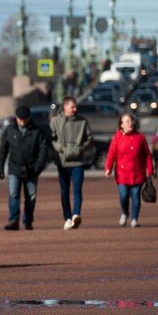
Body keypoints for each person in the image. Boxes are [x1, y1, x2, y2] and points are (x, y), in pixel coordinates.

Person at [0, 105, 49, 230]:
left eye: (24, 119)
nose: (22, 122)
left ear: (29, 118)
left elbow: (43, 149)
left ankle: (28, 220)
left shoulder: (37, 131)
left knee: (31, 196)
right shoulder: (10, 130)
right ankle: (13, 220)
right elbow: (3, 150)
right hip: (15, 168)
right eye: (20, 119)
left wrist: (39, 166)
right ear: (16, 118)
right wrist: (0, 167)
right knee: (14, 194)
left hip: (32, 169)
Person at [50, 96, 94, 230]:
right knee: (64, 192)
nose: (75, 109)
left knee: (77, 190)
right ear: (65, 107)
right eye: (72, 107)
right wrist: (61, 149)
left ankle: (76, 215)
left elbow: (89, 137)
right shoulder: (56, 122)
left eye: (75, 107)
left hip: (78, 162)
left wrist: (81, 149)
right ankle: (67, 218)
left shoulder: (82, 121)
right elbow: (52, 139)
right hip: (63, 162)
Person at [104, 113, 153, 228]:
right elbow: (111, 154)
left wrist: (149, 170)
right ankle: (124, 213)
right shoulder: (117, 138)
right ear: (121, 125)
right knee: (124, 195)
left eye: (131, 121)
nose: (130, 123)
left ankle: (134, 218)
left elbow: (147, 155)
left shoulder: (140, 137)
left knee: (135, 196)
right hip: (122, 174)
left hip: (138, 173)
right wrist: (108, 168)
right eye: (127, 121)